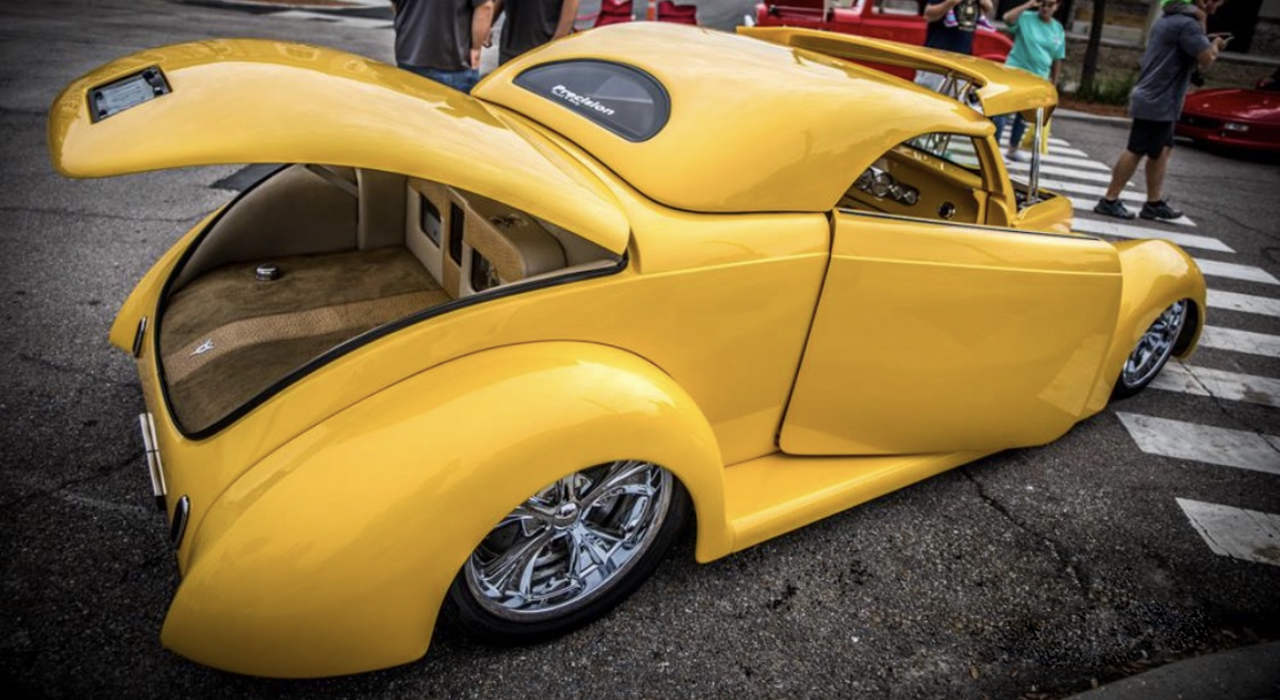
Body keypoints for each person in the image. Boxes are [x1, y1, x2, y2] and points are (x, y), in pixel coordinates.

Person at [1094, 0, 1227, 221]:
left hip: (1159, 98)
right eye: (1217, 2)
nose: (1219, 6)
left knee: (1163, 149)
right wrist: (1217, 45)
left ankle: (1153, 203)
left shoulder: (1169, 18)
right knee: (1136, 149)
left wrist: (1202, 21)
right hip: (1158, 99)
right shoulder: (1188, 24)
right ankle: (1109, 200)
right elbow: (1206, 59)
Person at [994, 0, 1066, 162]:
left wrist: (1053, 84)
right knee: (1002, 113)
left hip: (1038, 78)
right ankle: (994, 149)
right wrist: (1027, 5)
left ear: (1057, 7)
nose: (1045, 8)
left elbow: (1057, 59)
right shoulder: (1026, 17)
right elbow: (1007, 18)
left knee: (1023, 116)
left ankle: (1012, 149)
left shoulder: (1057, 28)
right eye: (1043, 4)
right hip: (1014, 73)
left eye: (1050, 5)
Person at [391, 0, 495, 94]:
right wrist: (476, 49)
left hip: (408, 57)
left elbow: (396, 6)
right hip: (452, 63)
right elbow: (485, 7)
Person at [491, 0, 580, 66]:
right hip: (510, 45)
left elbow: (570, 12)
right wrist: (488, 23)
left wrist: (555, 44)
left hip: (543, 49)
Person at [923, 0, 995, 55]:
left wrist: (987, 5)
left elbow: (987, 8)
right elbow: (928, 15)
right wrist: (950, 3)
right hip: (937, 57)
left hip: (963, 57)